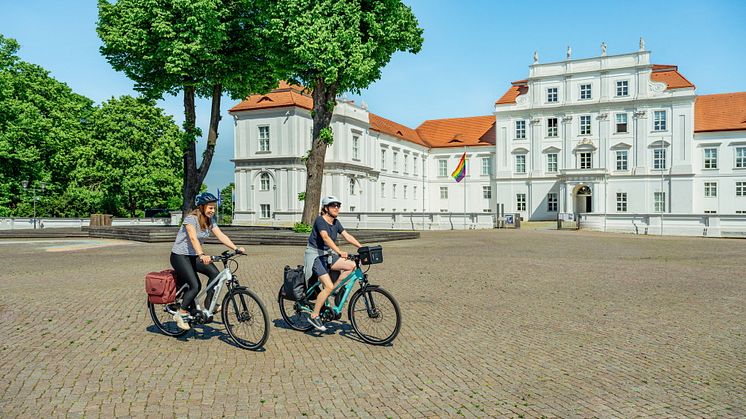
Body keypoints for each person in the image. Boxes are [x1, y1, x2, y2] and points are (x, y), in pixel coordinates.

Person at [170, 192, 245, 330]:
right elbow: (193, 238)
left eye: (214, 208)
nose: (213, 211)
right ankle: (181, 313)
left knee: (216, 275)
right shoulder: (190, 219)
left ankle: (209, 303)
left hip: (194, 256)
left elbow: (220, 235)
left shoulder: (210, 220)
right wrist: (202, 254)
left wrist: (235, 248)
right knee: (195, 285)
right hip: (180, 256)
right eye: (210, 208)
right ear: (202, 207)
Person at [303, 195, 363, 331]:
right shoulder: (320, 220)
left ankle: (333, 290)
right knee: (328, 286)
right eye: (333, 205)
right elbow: (325, 237)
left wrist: (361, 247)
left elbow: (347, 235)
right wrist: (339, 251)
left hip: (328, 255)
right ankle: (314, 316)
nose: (336, 208)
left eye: (338, 205)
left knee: (352, 266)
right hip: (315, 255)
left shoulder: (336, 222)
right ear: (325, 208)